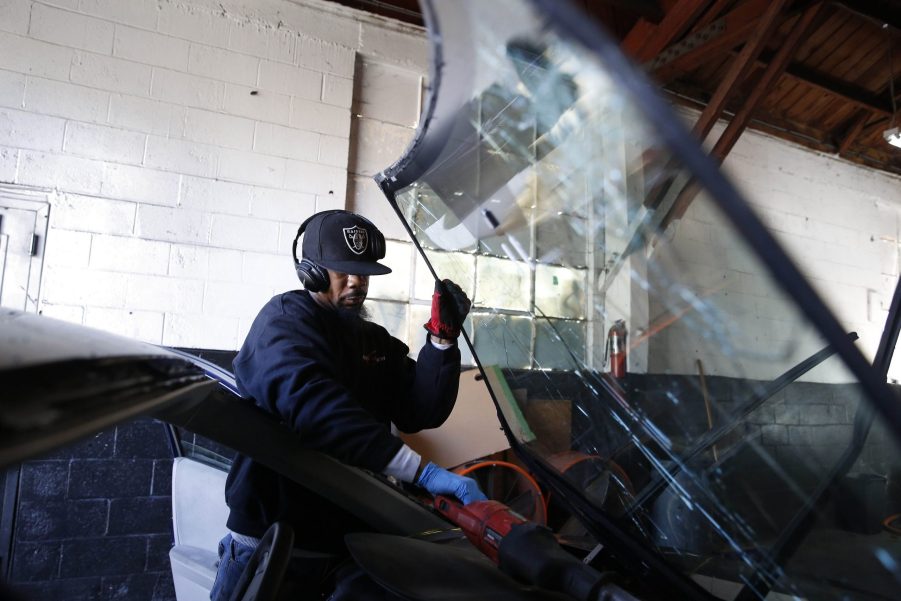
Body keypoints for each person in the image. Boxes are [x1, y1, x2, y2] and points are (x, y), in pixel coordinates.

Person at [210, 209, 486, 601]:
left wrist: (442, 341)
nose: (357, 281)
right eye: (342, 270)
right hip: (272, 544)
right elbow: (315, 408)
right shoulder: (283, 323)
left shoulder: (370, 339)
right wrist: (421, 473)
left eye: (363, 271)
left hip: (346, 547)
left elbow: (419, 410)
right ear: (311, 272)